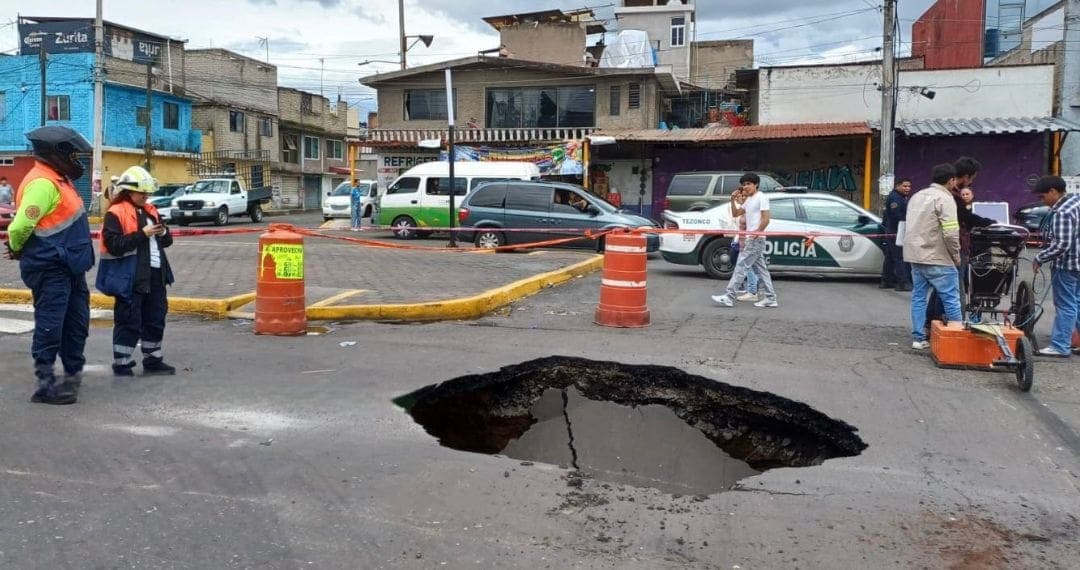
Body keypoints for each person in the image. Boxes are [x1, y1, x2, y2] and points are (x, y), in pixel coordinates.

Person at [3, 126, 95, 405]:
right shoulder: (43, 183)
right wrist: (17, 249)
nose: (76, 160)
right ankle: (45, 385)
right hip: (52, 267)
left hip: (71, 266)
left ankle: (71, 376)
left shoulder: (61, 181)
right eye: (72, 154)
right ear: (56, 153)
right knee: (51, 325)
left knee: (76, 324)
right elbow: (19, 227)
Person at [97, 165, 177, 376]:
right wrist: (143, 233)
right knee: (128, 321)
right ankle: (122, 363)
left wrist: (163, 232)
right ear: (128, 191)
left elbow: (167, 241)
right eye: (142, 193)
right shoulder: (116, 213)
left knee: (156, 318)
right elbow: (114, 244)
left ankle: (153, 360)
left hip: (155, 275)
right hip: (130, 277)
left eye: (147, 193)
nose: (146, 196)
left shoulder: (151, 211)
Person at [904, 164, 963, 350]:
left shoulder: (916, 196)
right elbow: (951, 232)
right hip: (938, 257)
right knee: (951, 298)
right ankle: (957, 339)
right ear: (951, 180)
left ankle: (918, 338)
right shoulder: (945, 199)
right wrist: (956, 255)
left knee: (918, 297)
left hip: (915, 256)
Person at [1030, 176, 1080, 357]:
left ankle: (1060, 346)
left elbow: (1062, 244)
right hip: (1078, 262)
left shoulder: (1062, 212)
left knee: (1065, 305)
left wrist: (1040, 257)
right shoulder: (1076, 202)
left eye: (1043, 197)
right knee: (1076, 302)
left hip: (1066, 264)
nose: (1042, 202)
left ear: (1053, 192)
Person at [712, 173, 778, 308]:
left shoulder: (761, 197)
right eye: (744, 184)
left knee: (741, 266)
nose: (745, 187)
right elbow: (736, 213)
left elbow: (766, 218)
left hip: (755, 239)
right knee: (761, 270)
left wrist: (757, 233)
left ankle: (729, 296)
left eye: (748, 184)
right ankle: (771, 298)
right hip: (752, 238)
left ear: (756, 185)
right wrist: (732, 199)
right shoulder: (749, 200)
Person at [880, 178, 913, 291]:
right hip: (896, 231)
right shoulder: (895, 198)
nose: (907, 189)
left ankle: (886, 280)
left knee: (890, 257)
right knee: (899, 257)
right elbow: (896, 216)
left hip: (894, 230)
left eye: (909, 186)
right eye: (905, 186)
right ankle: (902, 283)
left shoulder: (900, 197)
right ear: (897, 186)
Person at [731, 215, 759, 300]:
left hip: (747, 240)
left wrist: (741, 243)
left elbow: (743, 227)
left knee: (747, 266)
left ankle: (752, 291)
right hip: (749, 240)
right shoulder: (747, 210)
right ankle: (752, 290)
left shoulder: (748, 212)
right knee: (753, 266)